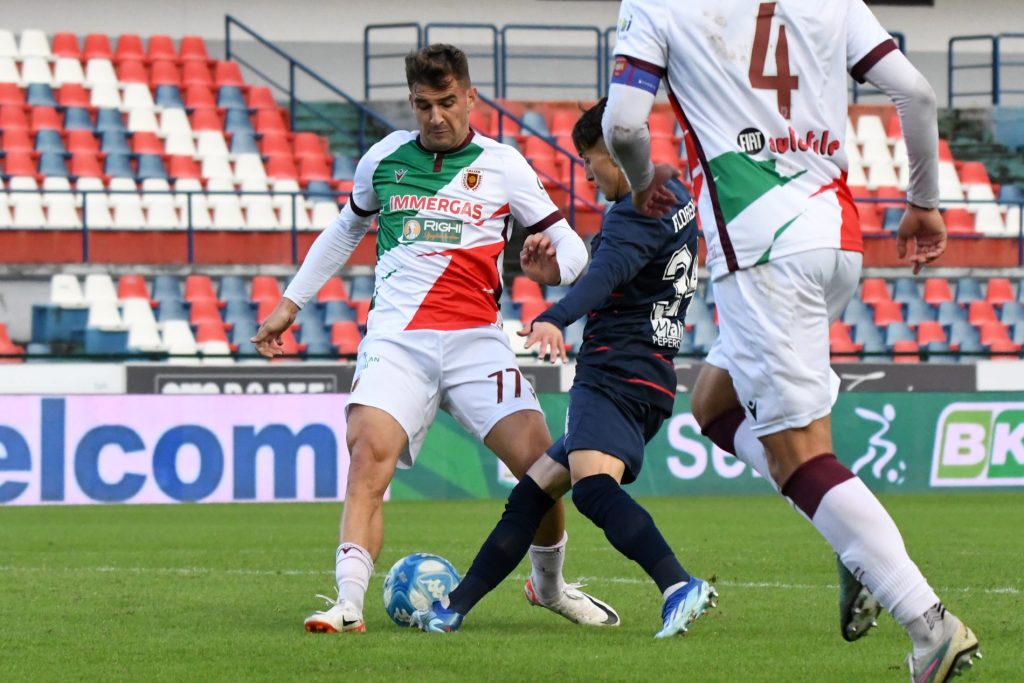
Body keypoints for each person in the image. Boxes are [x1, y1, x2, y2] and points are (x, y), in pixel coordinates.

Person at [602, 0, 979, 679]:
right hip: (834, 237)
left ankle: (930, 625)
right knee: (714, 403)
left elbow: (624, 124)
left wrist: (640, 181)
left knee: (797, 455)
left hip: (762, 251)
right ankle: (849, 530)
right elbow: (916, 93)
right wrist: (924, 203)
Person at [252, 43, 618, 633]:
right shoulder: (383, 159)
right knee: (367, 452)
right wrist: (290, 304)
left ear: (470, 97)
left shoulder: (503, 165)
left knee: (545, 468)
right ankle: (348, 603)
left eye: (447, 102)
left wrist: (556, 271)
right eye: (424, 105)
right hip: (397, 341)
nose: (436, 116)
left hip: (477, 342)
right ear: (412, 103)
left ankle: (549, 587)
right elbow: (344, 231)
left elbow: (572, 247)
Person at [410, 97, 716, 638]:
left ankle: (677, 584)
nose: (587, 173)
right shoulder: (674, 193)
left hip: (613, 374)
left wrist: (554, 314)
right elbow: (624, 272)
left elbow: (606, 275)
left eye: (589, 159)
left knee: (593, 491)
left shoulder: (634, 211)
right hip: (649, 372)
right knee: (532, 494)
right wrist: (556, 278)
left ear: (616, 153)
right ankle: (452, 608)